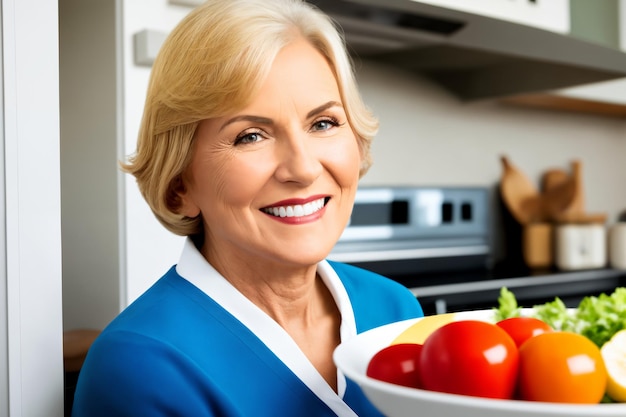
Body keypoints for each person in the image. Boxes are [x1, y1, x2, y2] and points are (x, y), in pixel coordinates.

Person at [72, 0, 424, 416]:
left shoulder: (396, 310)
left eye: (323, 123)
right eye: (250, 136)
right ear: (180, 186)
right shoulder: (138, 367)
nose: (304, 168)